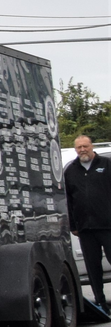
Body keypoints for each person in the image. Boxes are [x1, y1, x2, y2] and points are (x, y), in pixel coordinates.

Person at [63, 134, 110, 315]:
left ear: (92, 146)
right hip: (85, 228)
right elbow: (68, 200)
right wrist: (73, 225)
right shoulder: (71, 171)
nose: (82, 150)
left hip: (107, 225)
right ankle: (100, 302)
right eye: (79, 147)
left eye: (85, 146)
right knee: (93, 267)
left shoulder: (106, 165)